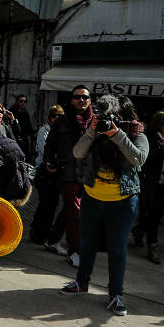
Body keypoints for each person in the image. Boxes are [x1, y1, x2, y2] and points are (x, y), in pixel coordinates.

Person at [60, 95, 148, 316]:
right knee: (87, 244)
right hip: (92, 197)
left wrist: (116, 134)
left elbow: (138, 159)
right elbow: (77, 152)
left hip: (123, 201)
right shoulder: (96, 133)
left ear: (124, 115)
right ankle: (81, 283)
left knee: (117, 250)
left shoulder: (138, 134)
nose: (109, 119)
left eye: (114, 116)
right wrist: (92, 131)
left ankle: (116, 294)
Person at [42, 85, 94, 267]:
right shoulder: (62, 121)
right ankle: (75, 251)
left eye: (85, 97)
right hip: (67, 171)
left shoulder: (95, 121)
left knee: (70, 210)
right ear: (71, 100)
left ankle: (53, 238)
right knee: (76, 211)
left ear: (90, 100)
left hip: (88, 173)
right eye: (77, 97)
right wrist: (48, 160)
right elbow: (50, 143)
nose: (81, 100)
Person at [134, 110, 164, 264]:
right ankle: (153, 247)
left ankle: (139, 229)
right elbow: (146, 158)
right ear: (159, 124)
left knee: (156, 215)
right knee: (152, 215)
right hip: (151, 184)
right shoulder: (150, 138)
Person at [30, 105, 65, 244]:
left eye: (59, 116)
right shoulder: (44, 130)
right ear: (50, 117)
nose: (57, 118)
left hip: (57, 172)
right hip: (44, 170)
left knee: (53, 204)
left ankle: (45, 232)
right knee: (45, 203)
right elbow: (42, 148)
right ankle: (37, 232)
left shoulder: (63, 132)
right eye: (54, 116)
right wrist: (56, 157)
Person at [8, 94, 35, 159]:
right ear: (17, 102)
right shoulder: (12, 112)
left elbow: (29, 127)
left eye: (25, 101)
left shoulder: (25, 113)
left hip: (24, 141)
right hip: (14, 140)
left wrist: (33, 132)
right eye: (21, 101)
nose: (23, 103)